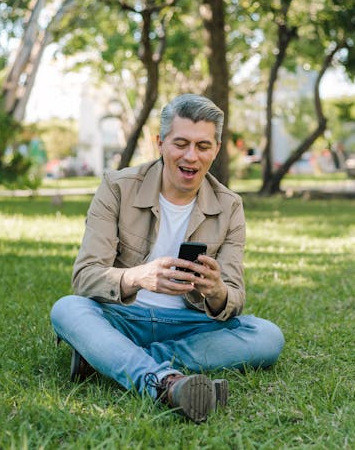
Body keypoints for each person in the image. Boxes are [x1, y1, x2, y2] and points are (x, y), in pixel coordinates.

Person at [50, 94, 285, 423]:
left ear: (216, 149)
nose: (191, 156)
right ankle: (165, 382)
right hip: (123, 316)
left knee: (268, 336)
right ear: (160, 143)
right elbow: (85, 277)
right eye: (181, 143)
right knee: (67, 308)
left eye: (203, 146)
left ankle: (111, 357)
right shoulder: (117, 188)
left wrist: (216, 290)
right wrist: (138, 277)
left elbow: (234, 298)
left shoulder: (229, 205)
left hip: (188, 326)